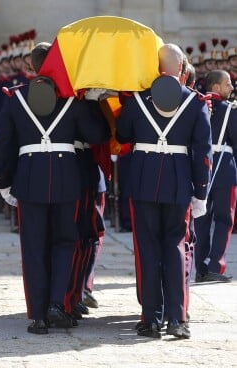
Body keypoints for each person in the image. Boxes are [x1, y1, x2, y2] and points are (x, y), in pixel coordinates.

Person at [0, 42, 110, 335]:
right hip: (65, 179)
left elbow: (4, 145)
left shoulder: (16, 98)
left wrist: (5, 182)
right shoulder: (73, 100)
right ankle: (57, 303)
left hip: (29, 179)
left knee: (33, 248)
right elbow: (98, 135)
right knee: (64, 242)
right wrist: (93, 101)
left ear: (30, 67)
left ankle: (38, 316)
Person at [116, 44, 212, 339]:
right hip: (179, 183)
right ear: (183, 68)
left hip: (144, 181)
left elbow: (122, 135)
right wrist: (201, 192)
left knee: (148, 249)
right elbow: (202, 153)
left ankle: (151, 319)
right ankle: (177, 318)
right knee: (176, 247)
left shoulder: (136, 102)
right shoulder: (196, 104)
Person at [194, 70, 236, 283]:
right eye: (228, 84)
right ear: (217, 87)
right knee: (224, 219)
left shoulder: (197, 105)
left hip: (200, 168)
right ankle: (214, 265)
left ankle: (201, 267)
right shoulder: (230, 109)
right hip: (224, 171)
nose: (232, 87)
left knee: (201, 219)